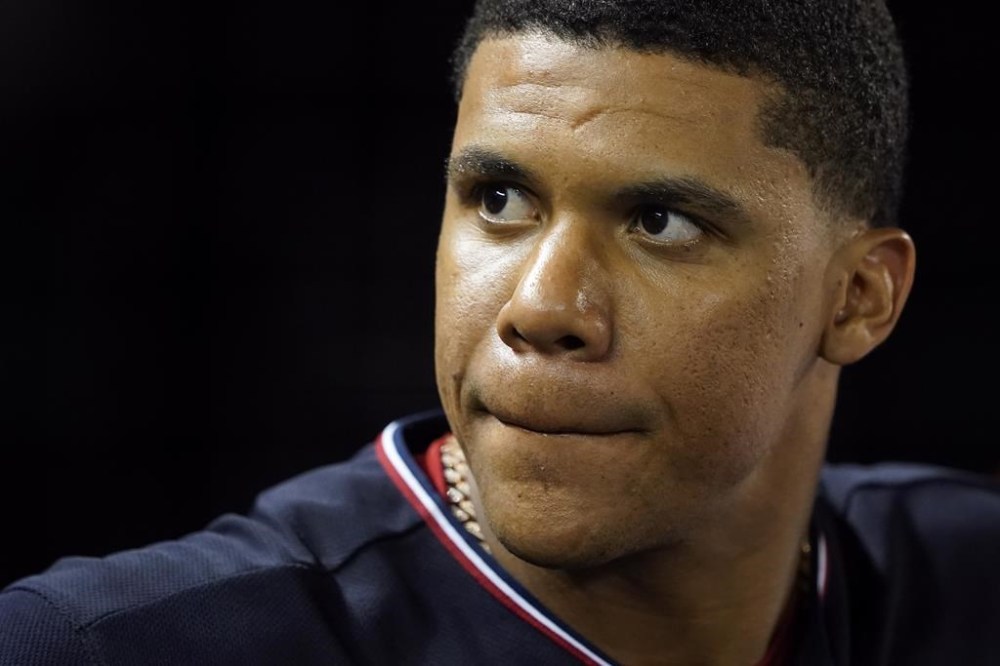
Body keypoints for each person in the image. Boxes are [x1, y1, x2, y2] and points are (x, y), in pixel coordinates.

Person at [2, 0, 999, 664]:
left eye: (661, 223)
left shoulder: (969, 580)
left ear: (859, 297)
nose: (540, 308)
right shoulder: (98, 646)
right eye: (500, 198)